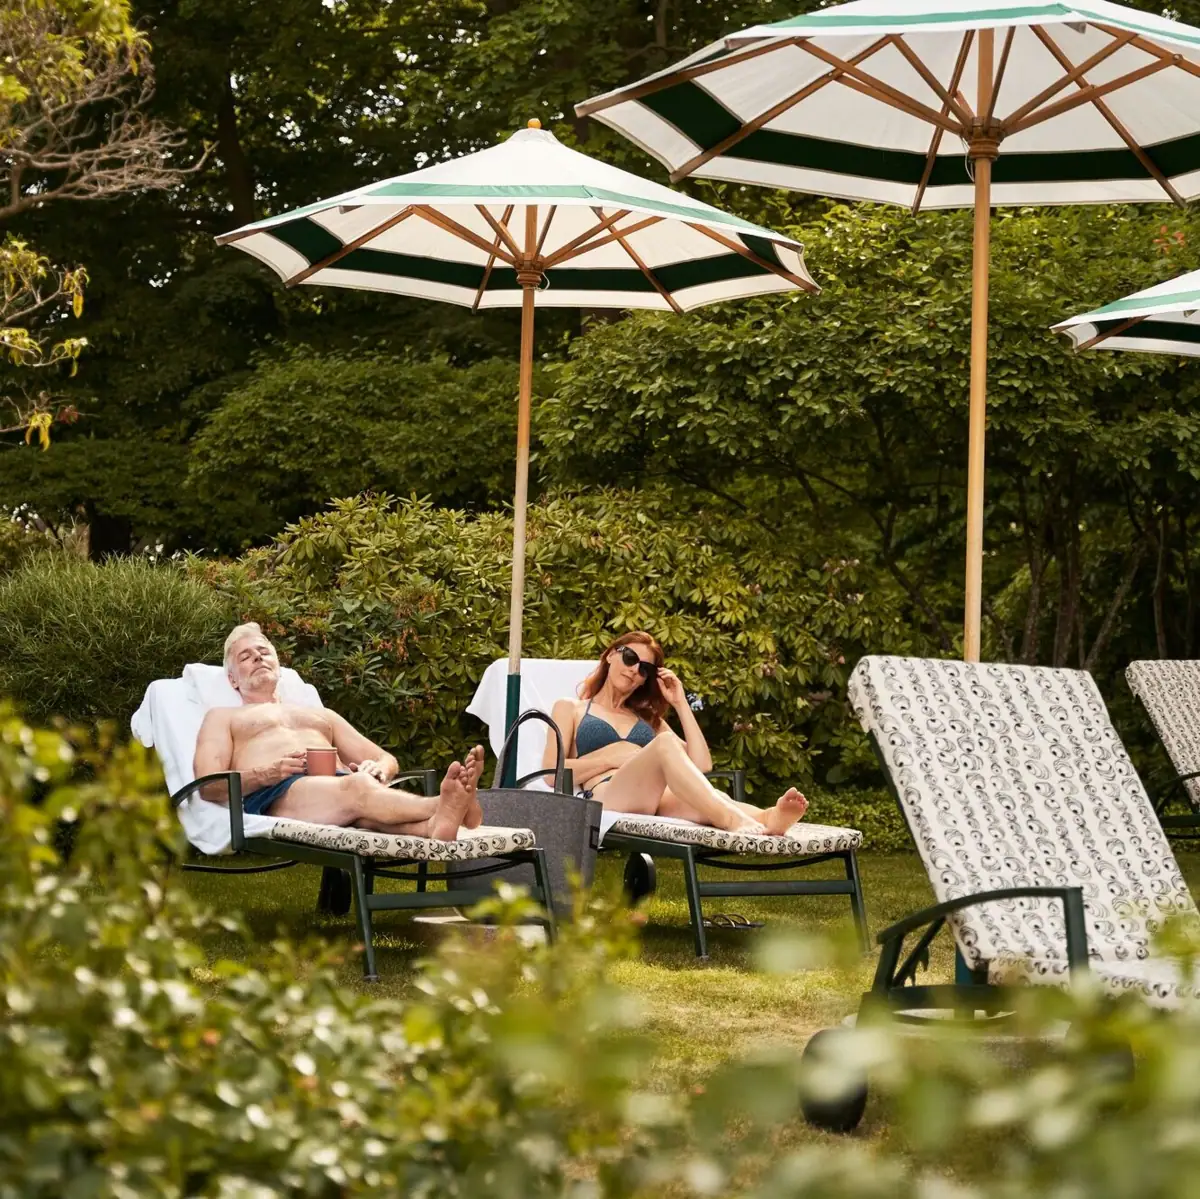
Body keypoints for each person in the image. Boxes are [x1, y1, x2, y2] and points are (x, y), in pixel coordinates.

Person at [194, 622, 483, 839]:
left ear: (278, 666)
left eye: (264, 652)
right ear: (232, 679)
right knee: (357, 788)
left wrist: (379, 769)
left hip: (339, 786)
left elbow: (386, 759)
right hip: (277, 793)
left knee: (361, 805)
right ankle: (445, 805)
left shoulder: (320, 715)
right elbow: (208, 786)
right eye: (245, 657)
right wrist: (265, 774)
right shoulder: (222, 717)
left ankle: (433, 826)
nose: (258, 658)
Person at [542, 631, 808, 836]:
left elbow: (701, 765)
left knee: (710, 800)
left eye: (645, 669)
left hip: (657, 797)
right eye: (630, 658)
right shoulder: (571, 708)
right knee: (666, 744)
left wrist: (680, 703)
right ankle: (730, 819)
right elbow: (551, 773)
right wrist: (613, 759)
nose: (634, 669)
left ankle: (769, 818)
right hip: (608, 793)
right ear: (611, 655)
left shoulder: (646, 718)